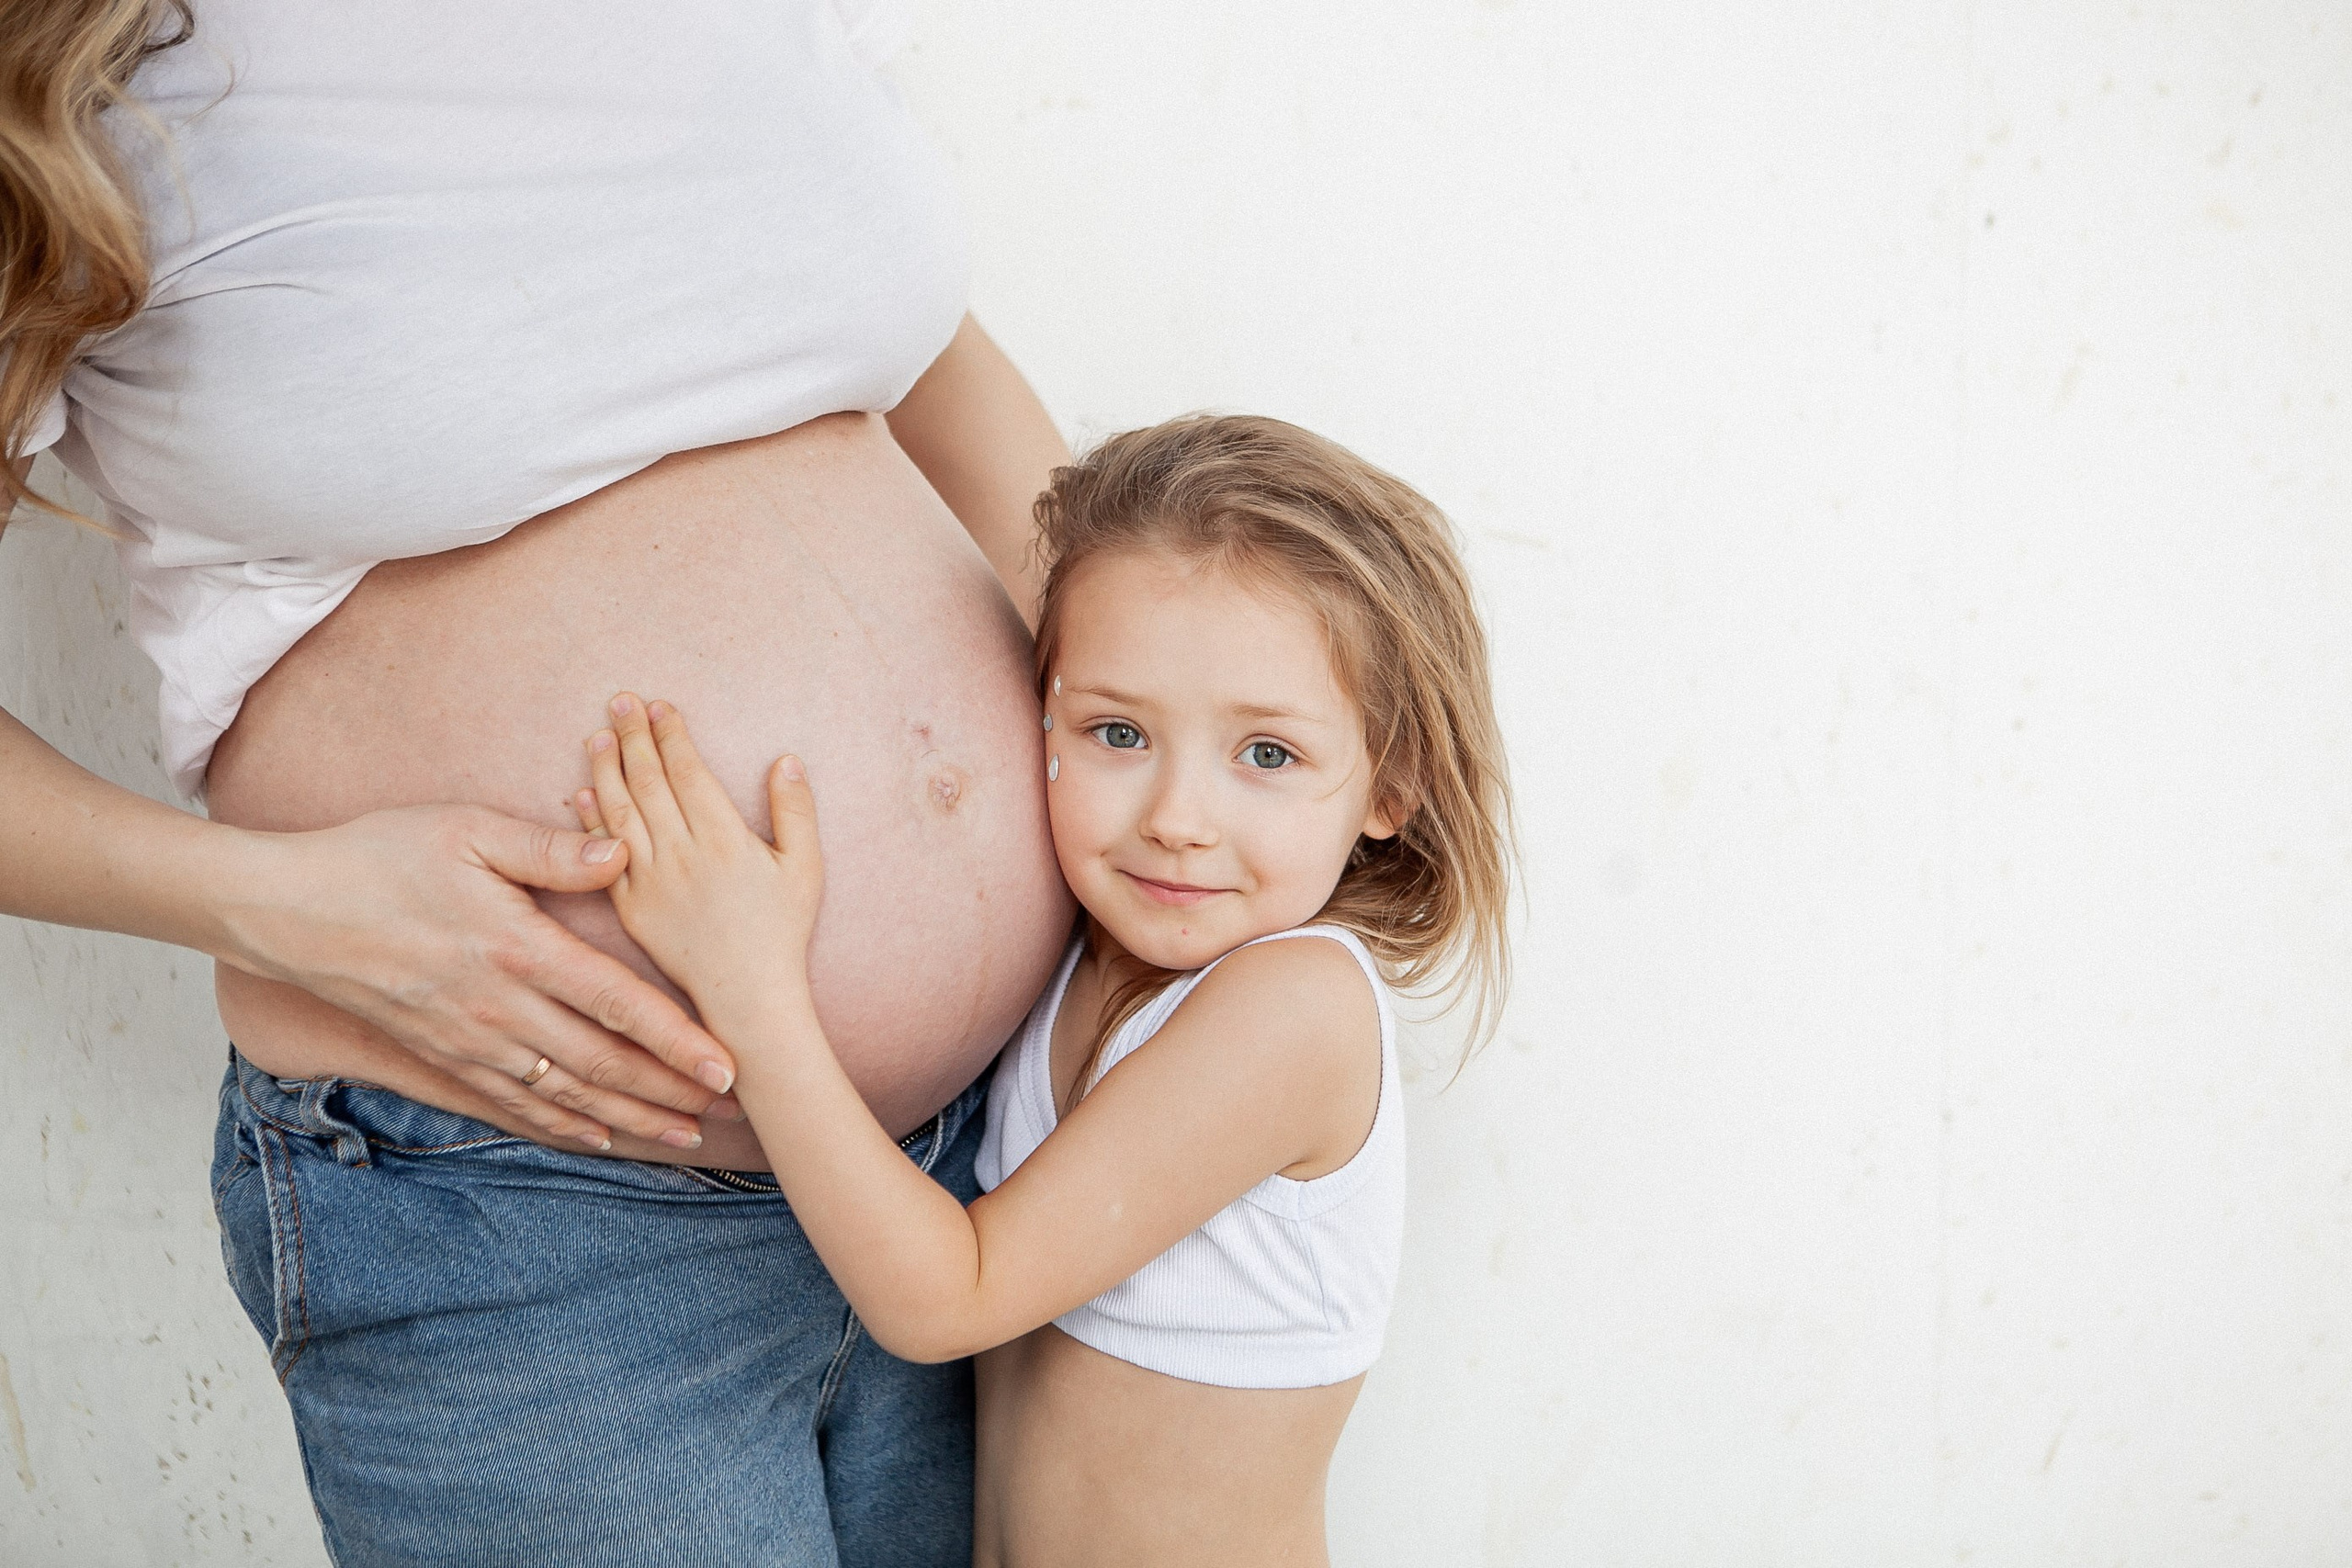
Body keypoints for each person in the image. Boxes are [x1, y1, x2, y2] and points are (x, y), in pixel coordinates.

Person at [2, 0, 1072, 1560]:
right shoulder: (68, 70)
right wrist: (283, 903)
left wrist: (1163, 821)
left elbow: (946, 383)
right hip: (522, 1210)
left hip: (994, 1154)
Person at [569, 414, 1515, 1567]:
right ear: (1041, 715)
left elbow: (944, 1298)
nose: (1176, 817)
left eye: (1266, 755)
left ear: (1391, 785)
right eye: (1117, 732)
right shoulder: (1093, 951)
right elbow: (1010, 457)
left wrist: (750, 984)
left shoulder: (1293, 1009)